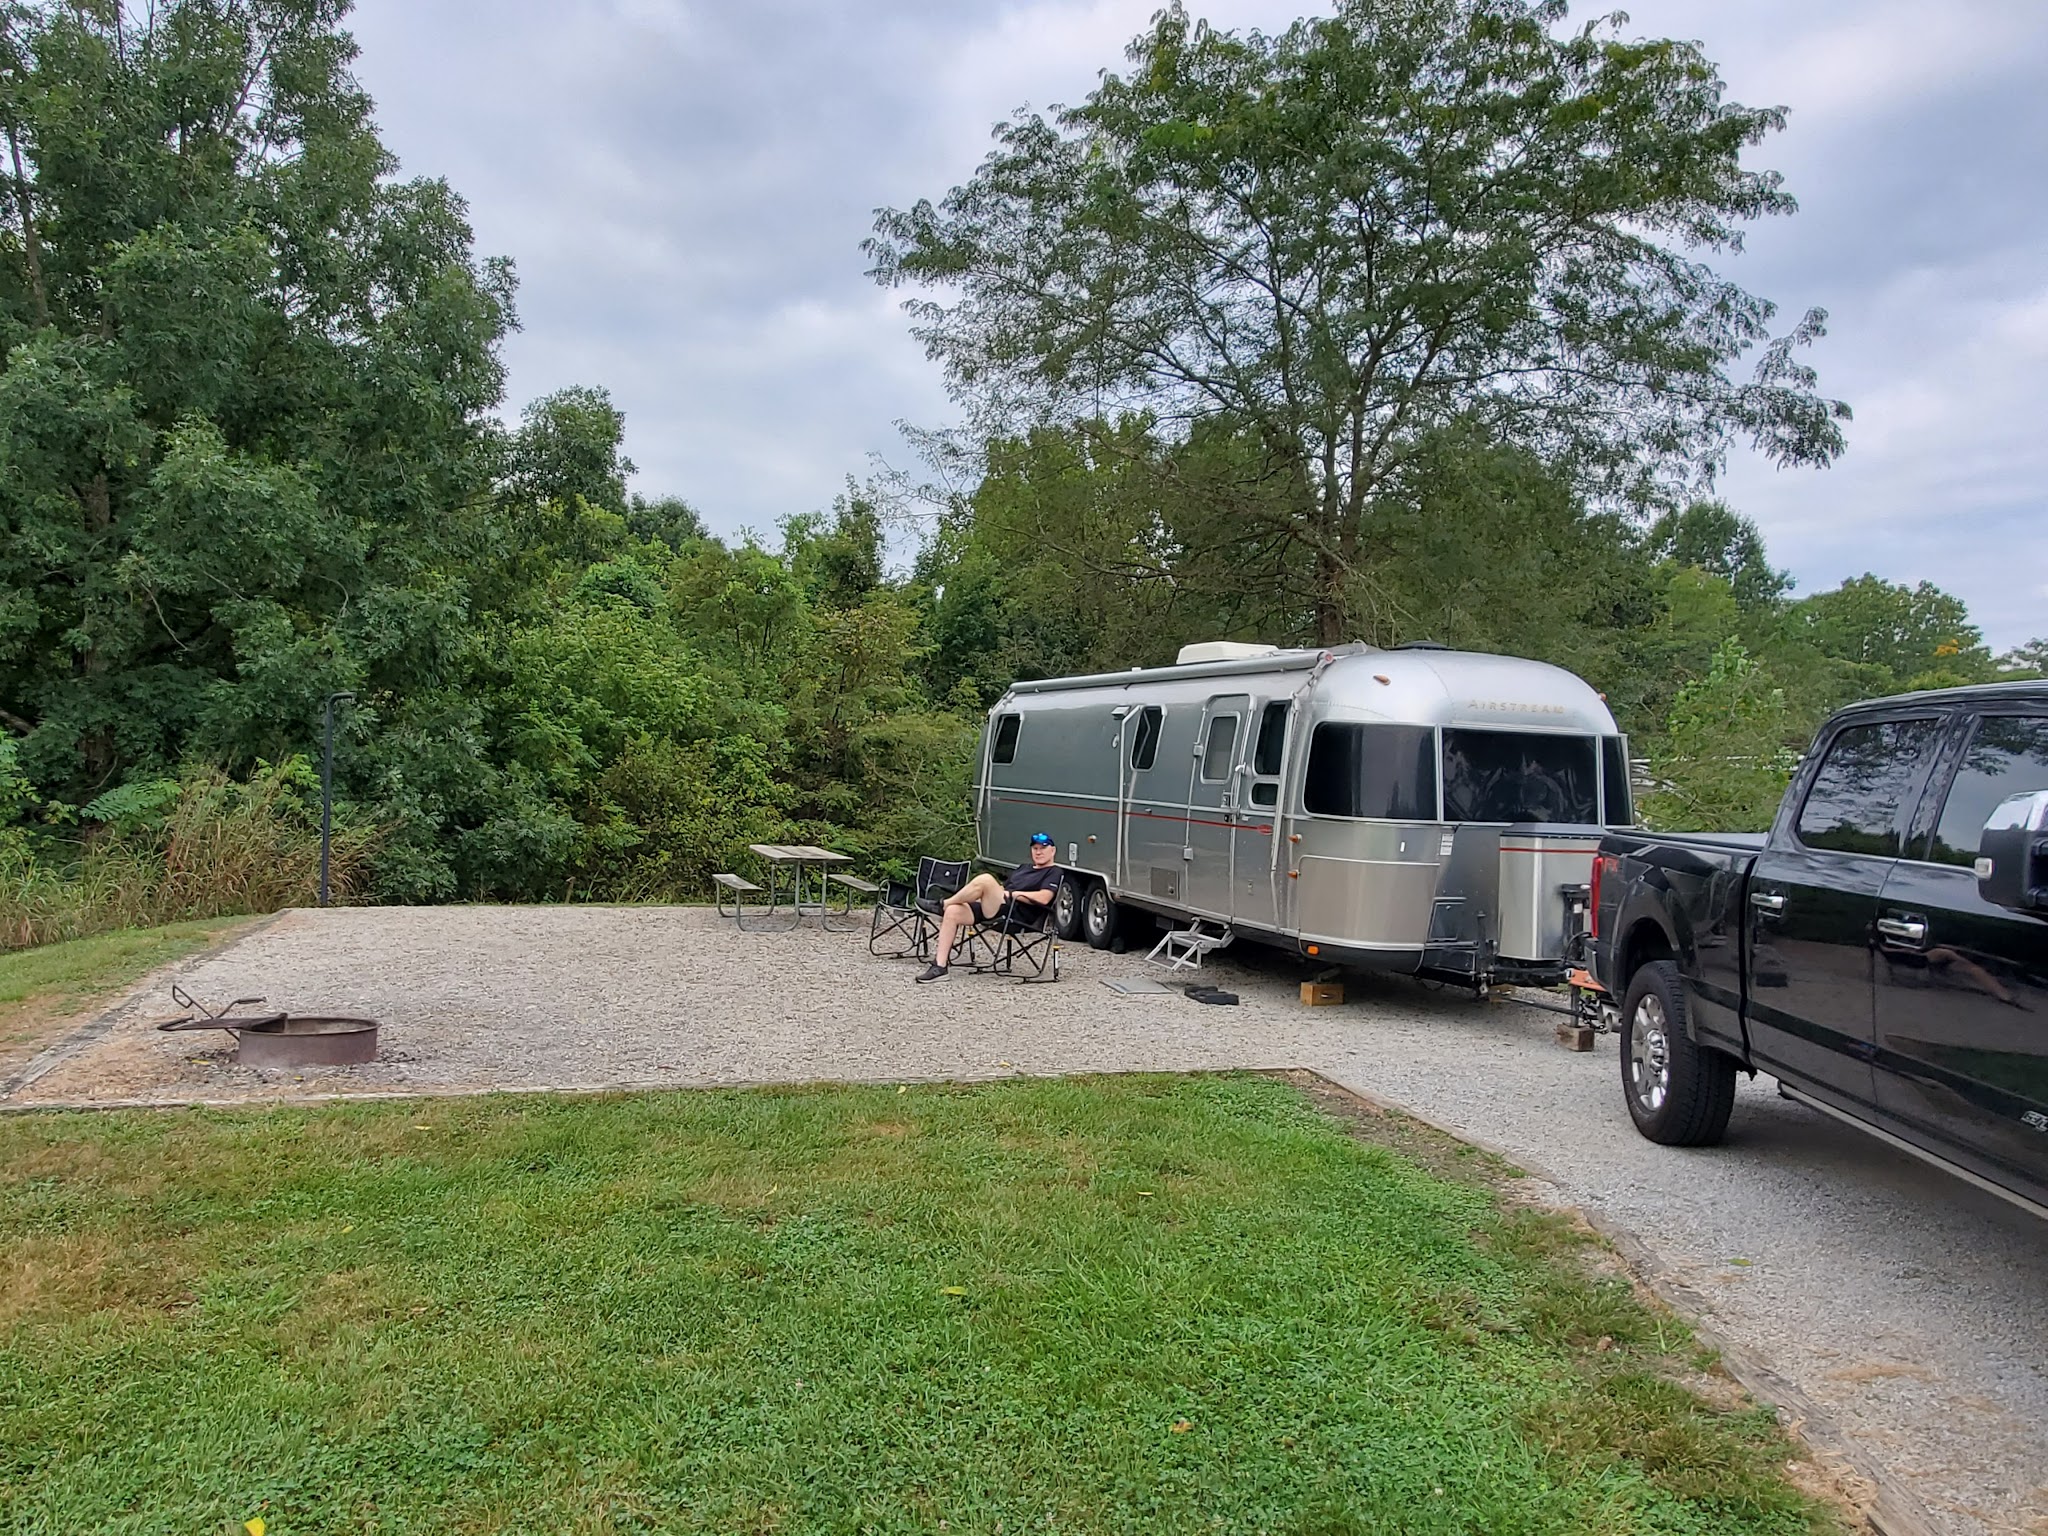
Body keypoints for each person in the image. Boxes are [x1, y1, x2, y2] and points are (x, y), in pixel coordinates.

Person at [914, 833, 1061, 982]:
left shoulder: (1054, 872)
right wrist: (987, 895)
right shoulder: (1024, 868)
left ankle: (942, 905)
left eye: (1043, 848)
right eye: (1035, 848)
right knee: (953, 912)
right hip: (998, 908)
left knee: (986, 879)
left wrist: (1013, 894)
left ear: (1053, 851)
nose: (1038, 852)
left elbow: (1044, 898)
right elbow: (1002, 888)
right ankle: (940, 967)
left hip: (1016, 916)